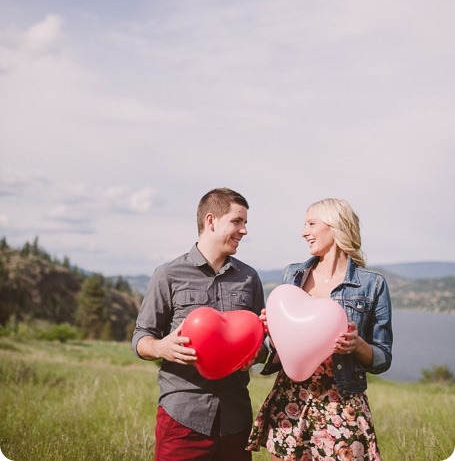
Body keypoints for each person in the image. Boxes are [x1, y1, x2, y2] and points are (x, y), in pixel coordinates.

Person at [247, 197, 393, 461]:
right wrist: (270, 331)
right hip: (291, 399)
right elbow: (281, 345)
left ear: (335, 226)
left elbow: (383, 358)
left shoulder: (373, 285)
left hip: (342, 403)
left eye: (311, 223)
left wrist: (357, 345)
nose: (304, 232)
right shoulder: (291, 275)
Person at [132, 187, 267, 461]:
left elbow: (261, 341)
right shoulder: (168, 275)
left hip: (235, 419)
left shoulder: (249, 278)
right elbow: (141, 337)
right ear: (211, 220)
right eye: (237, 221)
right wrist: (161, 348)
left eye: (245, 223)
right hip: (183, 416)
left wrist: (255, 355)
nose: (244, 231)